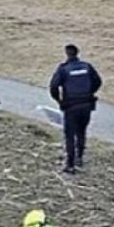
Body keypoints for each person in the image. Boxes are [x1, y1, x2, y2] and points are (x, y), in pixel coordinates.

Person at [49, 44, 102, 173]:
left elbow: (53, 86)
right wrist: (89, 93)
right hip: (86, 104)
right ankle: (79, 157)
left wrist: (59, 101)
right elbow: (98, 81)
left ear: (67, 54)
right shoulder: (87, 66)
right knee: (81, 131)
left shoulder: (63, 69)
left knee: (70, 134)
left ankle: (70, 164)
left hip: (71, 105)